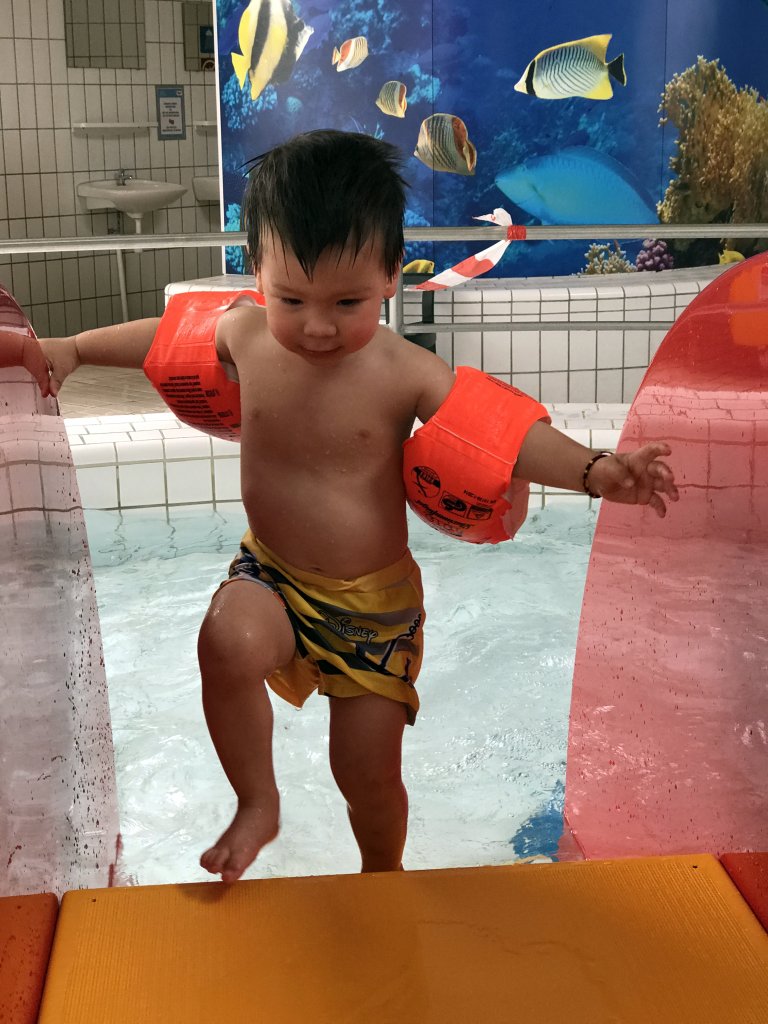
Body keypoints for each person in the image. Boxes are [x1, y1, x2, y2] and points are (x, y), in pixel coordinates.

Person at [1, 129, 679, 883]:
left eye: (346, 302)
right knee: (225, 641)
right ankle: (257, 802)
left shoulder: (403, 372)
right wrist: (73, 348)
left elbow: (506, 438)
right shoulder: (247, 333)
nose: (318, 327)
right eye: (293, 299)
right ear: (255, 269)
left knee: (365, 776)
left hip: (374, 615)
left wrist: (595, 471)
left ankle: (380, 873)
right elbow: (162, 339)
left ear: (391, 275)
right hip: (274, 576)